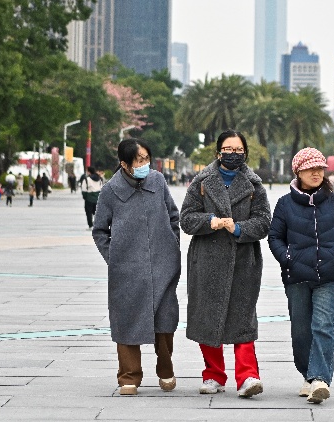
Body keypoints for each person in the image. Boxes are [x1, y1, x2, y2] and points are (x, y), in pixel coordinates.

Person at [180, 129, 271, 399]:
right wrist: (210, 222)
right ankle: (213, 375)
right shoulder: (202, 181)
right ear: (218, 152)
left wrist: (240, 228)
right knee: (208, 316)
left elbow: (264, 222)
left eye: (238, 150)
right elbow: (186, 219)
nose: (233, 154)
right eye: (228, 149)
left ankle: (248, 376)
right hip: (207, 260)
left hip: (243, 261)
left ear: (245, 152)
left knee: (243, 317)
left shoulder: (254, 185)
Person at [267, 147, 334, 404]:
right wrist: (287, 259)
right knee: (301, 332)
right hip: (296, 276)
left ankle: (320, 379)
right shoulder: (285, 204)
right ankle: (308, 374)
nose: (317, 173)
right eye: (311, 169)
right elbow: (275, 237)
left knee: (324, 326)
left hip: (328, 275)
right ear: (298, 172)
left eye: (320, 168)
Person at [92, 138, 181, 396]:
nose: (144, 164)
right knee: (127, 321)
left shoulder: (158, 181)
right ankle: (129, 377)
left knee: (165, 320)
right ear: (124, 164)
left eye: (146, 158)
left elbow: (173, 216)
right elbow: (100, 231)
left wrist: (171, 246)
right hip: (127, 271)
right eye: (138, 160)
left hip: (163, 265)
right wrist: (115, 259)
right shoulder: (110, 190)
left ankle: (165, 369)